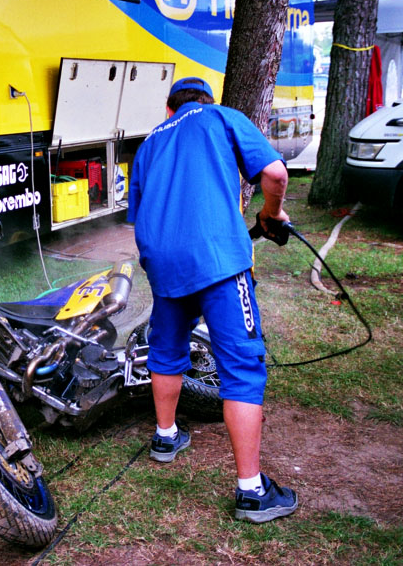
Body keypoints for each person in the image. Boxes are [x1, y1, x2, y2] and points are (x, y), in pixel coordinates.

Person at [126, 77, 297, 523]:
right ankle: (252, 491)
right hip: (218, 259)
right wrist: (272, 213)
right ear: (206, 101)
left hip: (164, 264)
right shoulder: (223, 117)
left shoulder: (147, 146)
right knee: (240, 365)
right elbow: (275, 174)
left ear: (169, 108)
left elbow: (139, 214)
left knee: (165, 350)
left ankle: (165, 436)